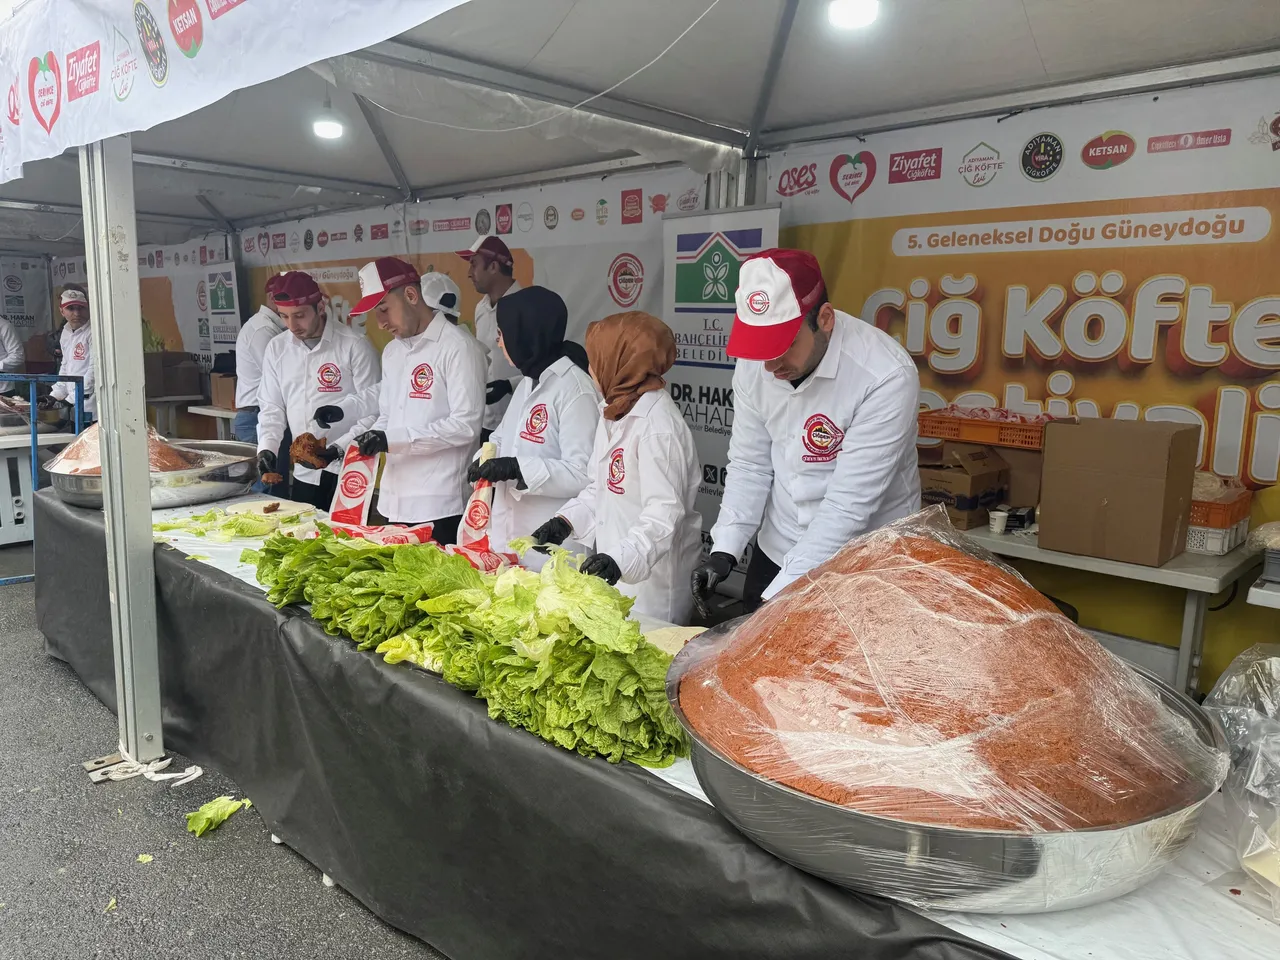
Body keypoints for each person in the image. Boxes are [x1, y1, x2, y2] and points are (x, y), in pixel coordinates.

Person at [690, 249, 921, 618]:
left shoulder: (884, 375)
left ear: (824, 319)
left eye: (784, 345)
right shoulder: (757, 362)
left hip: (864, 558)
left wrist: (783, 595)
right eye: (760, 347)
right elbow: (750, 462)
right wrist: (725, 549)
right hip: (778, 544)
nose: (770, 364)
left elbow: (848, 506)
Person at [530, 312, 702, 625]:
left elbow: (664, 514)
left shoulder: (656, 426)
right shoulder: (614, 411)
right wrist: (565, 522)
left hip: (653, 587)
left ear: (619, 362)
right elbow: (600, 487)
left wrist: (619, 560)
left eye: (596, 360)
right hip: (617, 571)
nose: (591, 369)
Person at [328, 258, 485, 545]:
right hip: (392, 498)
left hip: (439, 503)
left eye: (384, 309)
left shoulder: (459, 347)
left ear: (411, 296)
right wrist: (347, 448)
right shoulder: (392, 352)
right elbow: (386, 418)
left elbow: (465, 426)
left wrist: (392, 440)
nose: (381, 323)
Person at [466, 286, 599, 549]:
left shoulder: (576, 389)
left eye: (502, 334)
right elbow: (500, 438)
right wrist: (484, 460)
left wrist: (518, 468)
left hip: (552, 543)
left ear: (524, 334)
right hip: (510, 534)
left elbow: (583, 473)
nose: (498, 342)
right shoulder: (528, 381)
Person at [255, 271, 379, 510]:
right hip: (304, 472)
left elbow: (374, 410)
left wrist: (338, 449)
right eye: (284, 316)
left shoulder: (354, 346)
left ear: (320, 307)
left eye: (299, 316)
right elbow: (271, 408)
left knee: (346, 542)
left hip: (350, 469)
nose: (292, 326)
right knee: (305, 536)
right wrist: (267, 449)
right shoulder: (277, 349)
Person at [459, 235, 521, 440]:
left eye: (474, 265)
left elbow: (544, 369)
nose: (469, 273)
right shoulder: (481, 308)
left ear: (493, 267)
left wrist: (509, 385)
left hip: (517, 419)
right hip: (484, 420)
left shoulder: (526, 307)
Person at [232, 274, 287, 444]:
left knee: (277, 471)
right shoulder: (262, 329)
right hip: (257, 418)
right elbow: (279, 376)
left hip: (262, 415)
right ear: (271, 297)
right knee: (269, 471)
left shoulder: (271, 327)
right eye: (286, 298)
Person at [48, 286, 95, 420]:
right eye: (71, 308)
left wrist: (70, 399)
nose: (76, 313)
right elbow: (65, 366)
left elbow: (94, 371)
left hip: (91, 406)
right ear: (62, 311)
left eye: (80, 308)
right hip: (73, 405)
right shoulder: (66, 332)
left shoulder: (93, 332)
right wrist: (55, 395)